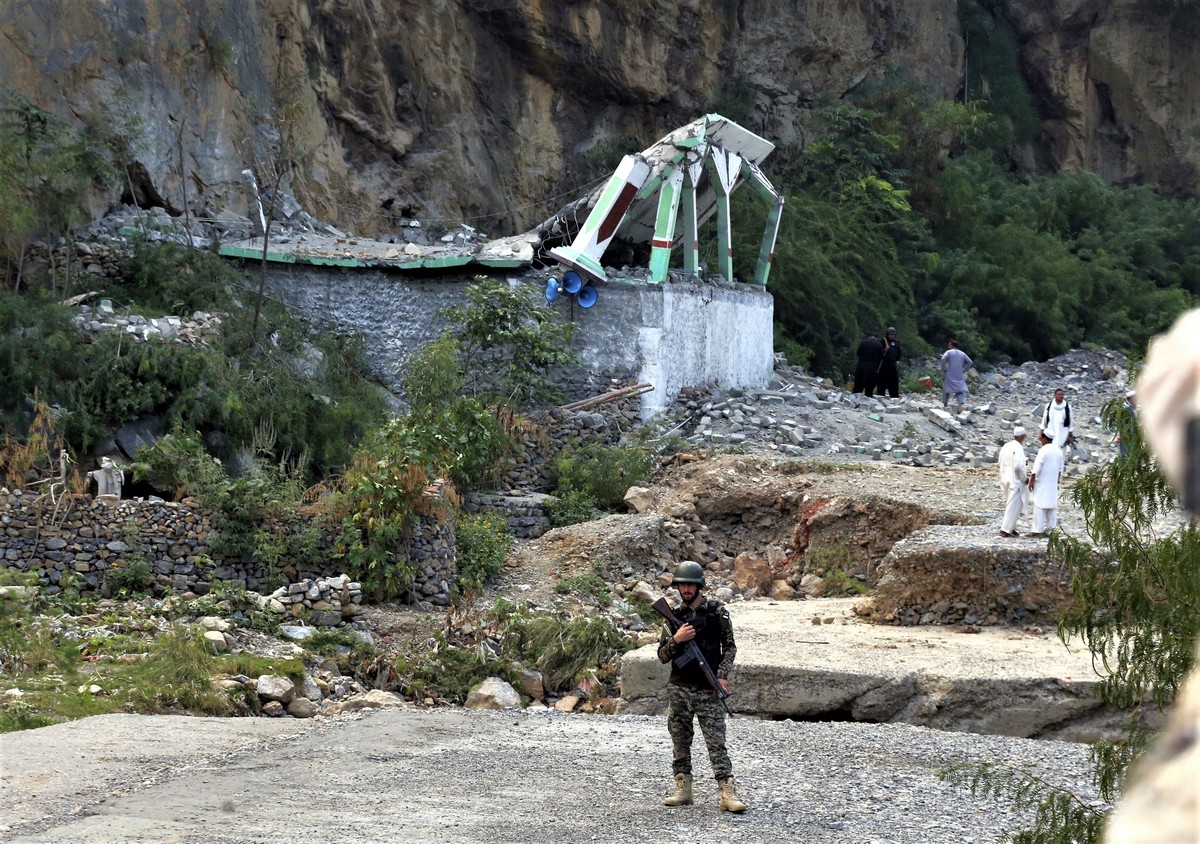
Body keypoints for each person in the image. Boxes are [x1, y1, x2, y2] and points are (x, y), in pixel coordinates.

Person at [657, 560, 747, 813]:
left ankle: (727, 793)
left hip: (708, 689)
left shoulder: (717, 612)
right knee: (680, 739)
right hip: (679, 688)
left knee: (716, 741)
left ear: (699, 586)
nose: (686, 589)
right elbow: (662, 655)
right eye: (682, 585)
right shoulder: (672, 616)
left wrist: (722, 675)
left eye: (690, 585)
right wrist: (676, 640)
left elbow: (730, 647)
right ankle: (683, 789)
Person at [1027, 428, 1065, 536]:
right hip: (1052, 484)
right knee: (1051, 508)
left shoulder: (1043, 450)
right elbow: (1060, 470)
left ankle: (1037, 530)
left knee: (1039, 507)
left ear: (1044, 438)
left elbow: (1037, 468)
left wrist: (1031, 481)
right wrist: (1057, 482)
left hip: (1042, 483)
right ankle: (1051, 531)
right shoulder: (1058, 451)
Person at [998, 427, 1028, 537]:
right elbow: (1018, 466)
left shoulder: (1006, 446)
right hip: (1015, 480)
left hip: (1005, 478)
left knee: (1011, 504)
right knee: (1014, 505)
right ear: (1022, 437)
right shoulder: (1019, 448)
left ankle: (1012, 527)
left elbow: (1000, 461)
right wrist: (1024, 478)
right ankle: (1005, 530)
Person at [939, 339, 974, 414]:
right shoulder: (962, 353)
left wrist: (943, 368)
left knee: (946, 389)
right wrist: (964, 370)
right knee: (959, 390)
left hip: (950, 373)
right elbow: (970, 362)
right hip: (959, 373)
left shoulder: (948, 352)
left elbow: (943, 358)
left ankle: (945, 405)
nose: (948, 346)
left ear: (951, 345)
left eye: (949, 344)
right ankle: (960, 406)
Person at [877, 327, 902, 398]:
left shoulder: (896, 343)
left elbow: (899, 353)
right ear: (887, 334)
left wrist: (898, 360)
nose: (892, 336)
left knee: (894, 382)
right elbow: (878, 353)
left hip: (893, 365)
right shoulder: (882, 341)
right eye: (890, 334)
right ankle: (880, 397)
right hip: (883, 365)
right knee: (881, 382)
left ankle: (894, 397)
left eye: (893, 334)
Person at [1116, 389, 1137, 460]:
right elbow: (1128, 425)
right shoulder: (1127, 409)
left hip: (1127, 438)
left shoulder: (1129, 408)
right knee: (1126, 457)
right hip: (1127, 438)